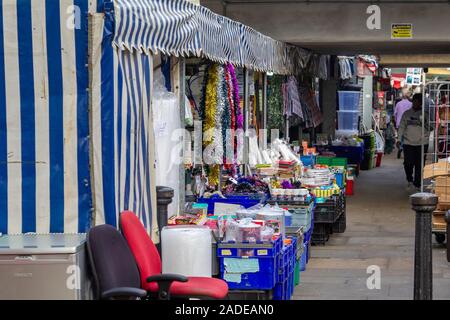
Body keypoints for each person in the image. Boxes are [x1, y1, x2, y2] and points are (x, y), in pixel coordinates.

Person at [397, 93, 431, 191]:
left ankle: (417, 184)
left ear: (421, 103)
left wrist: (424, 123)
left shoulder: (425, 114)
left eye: (418, 101)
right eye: (415, 101)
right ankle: (409, 179)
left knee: (420, 164)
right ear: (413, 101)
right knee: (408, 163)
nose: (416, 103)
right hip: (408, 143)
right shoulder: (406, 114)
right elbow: (401, 127)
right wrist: (399, 139)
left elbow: (431, 127)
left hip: (422, 143)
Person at [393, 90, 412, 158]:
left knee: (400, 136)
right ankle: (405, 149)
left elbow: (395, 114)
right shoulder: (410, 104)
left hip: (399, 123)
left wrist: (396, 121)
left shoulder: (398, 104)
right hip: (408, 124)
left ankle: (400, 147)